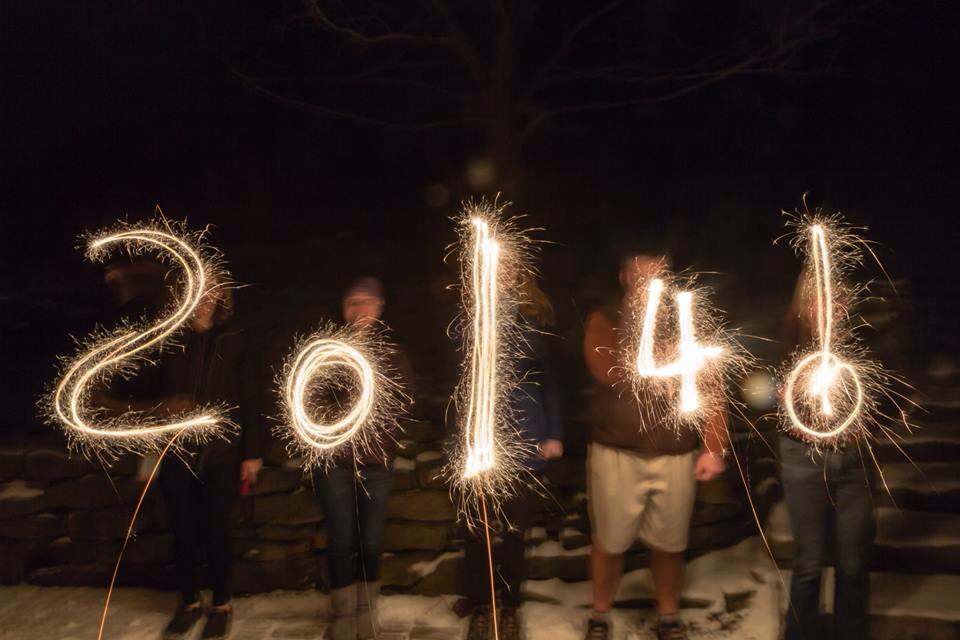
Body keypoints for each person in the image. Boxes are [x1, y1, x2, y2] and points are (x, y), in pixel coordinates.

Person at [95, 282, 265, 640]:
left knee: (216, 529)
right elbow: (149, 394)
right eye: (199, 291)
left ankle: (221, 604)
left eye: (213, 292)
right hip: (175, 451)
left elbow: (249, 395)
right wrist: (162, 410)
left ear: (222, 296)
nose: (205, 299)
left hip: (220, 452)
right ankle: (188, 602)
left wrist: (251, 452)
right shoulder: (171, 338)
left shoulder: (235, 336)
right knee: (183, 530)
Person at [582, 252, 729, 640]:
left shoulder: (687, 325)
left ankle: (668, 616)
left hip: (674, 452)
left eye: (658, 274)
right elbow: (606, 369)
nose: (650, 280)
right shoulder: (605, 320)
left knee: (669, 543)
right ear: (624, 277)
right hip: (617, 452)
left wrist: (714, 445)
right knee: (610, 542)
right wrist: (651, 359)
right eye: (641, 273)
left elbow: (712, 388)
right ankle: (600, 615)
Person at [462, 275, 564, 640]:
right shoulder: (475, 312)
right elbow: (463, 381)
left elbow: (548, 379)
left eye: (510, 267)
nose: (503, 273)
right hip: (482, 438)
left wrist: (553, 431)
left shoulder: (536, 319)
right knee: (479, 531)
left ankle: (510, 607)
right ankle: (479, 606)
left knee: (515, 531)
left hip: (524, 437)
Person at [313, 277, 414, 640]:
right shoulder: (327, 352)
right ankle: (341, 617)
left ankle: (367, 614)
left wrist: (366, 419)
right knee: (341, 541)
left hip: (377, 464)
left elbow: (402, 404)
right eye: (352, 302)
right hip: (334, 464)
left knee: (370, 541)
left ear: (379, 308)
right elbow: (311, 400)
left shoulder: (393, 354)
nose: (359, 309)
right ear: (343, 309)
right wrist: (345, 416)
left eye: (366, 302)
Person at [779, 274, 874, 640]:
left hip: (853, 462)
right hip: (803, 460)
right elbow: (762, 393)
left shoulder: (863, 343)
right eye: (820, 300)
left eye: (839, 300)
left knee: (852, 565)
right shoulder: (787, 344)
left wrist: (867, 425)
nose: (832, 308)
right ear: (804, 304)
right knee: (810, 565)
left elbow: (889, 394)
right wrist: (792, 418)